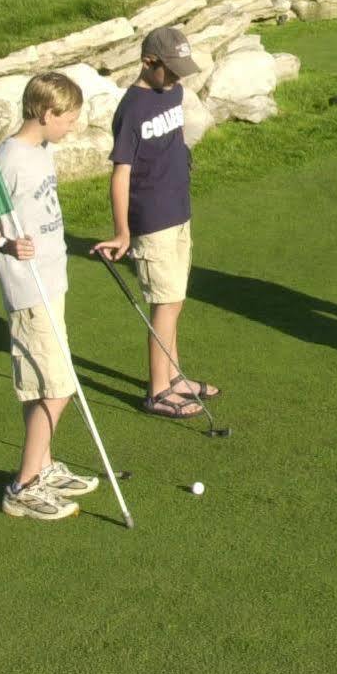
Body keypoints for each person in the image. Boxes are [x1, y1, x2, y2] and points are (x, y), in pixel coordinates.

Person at [0, 71, 101, 520]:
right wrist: (4, 244)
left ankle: (40, 467)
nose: (72, 127)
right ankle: (22, 486)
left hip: (51, 280)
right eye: (69, 119)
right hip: (27, 288)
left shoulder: (41, 150)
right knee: (57, 387)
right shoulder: (10, 160)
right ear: (46, 113)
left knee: (46, 383)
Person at [92, 25, 217, 417]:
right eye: (172, 69)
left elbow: (173, 141)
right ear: (149, 62)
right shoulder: (132, 109)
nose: (178, 78)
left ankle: (175, 376)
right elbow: (121, 173)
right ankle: (158, 391)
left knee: (175, 299)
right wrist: (122, 230)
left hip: (179, 209)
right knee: (166, 303)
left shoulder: (173, 91)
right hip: (151, 217)